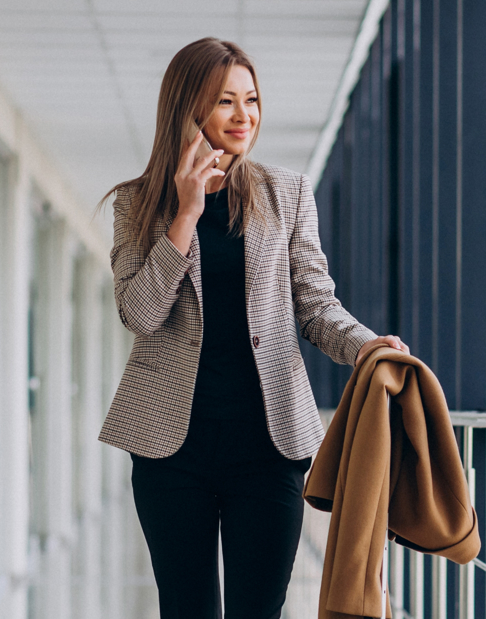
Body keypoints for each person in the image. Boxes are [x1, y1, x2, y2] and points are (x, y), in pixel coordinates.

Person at [96, 37, 407, 619]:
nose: (245, 117)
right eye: (225, 102)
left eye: (253, 100)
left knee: (258, 610)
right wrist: (185, 214)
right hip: (171, 451)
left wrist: (368, 345)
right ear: (188, 110)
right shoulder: (136, 204)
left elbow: (315, 305)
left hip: (268, 446)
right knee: (186, 608)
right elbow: (138, 314)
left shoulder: (284, 194)